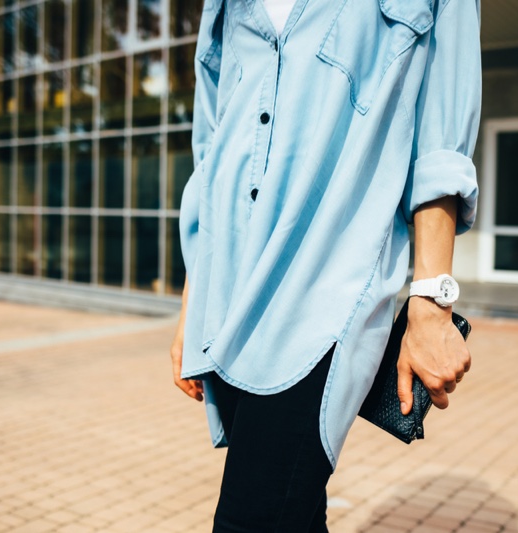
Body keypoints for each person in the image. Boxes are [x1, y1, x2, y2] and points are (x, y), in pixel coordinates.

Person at [171, 0, 481, 530]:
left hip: (324, 292)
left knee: (254, 516)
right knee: (295, 511)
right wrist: (192, 299)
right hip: (230, 294)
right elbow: (214, 147)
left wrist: (433, 302)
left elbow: (439, 137)